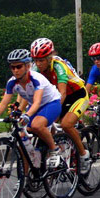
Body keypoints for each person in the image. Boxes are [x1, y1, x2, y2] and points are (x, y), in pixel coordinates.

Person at [0, 49, 62, 167]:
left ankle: (54, 149)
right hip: (35, 106)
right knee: (21, 139)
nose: (15, 70)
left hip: (51, 103)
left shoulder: (37, 79)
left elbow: (37, 102)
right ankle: (26, 178)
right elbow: (3, 104)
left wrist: (27, 115)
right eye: (12, 67)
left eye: (19, 66)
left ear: (28, 66)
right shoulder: (12, 82)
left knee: (37, 125)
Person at [30, 38, 91, 174]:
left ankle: (83, 155)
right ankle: (56, 152)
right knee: (42, 124)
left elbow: (62, 94)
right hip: (56, 97)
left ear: (49, 57)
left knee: (66, 124)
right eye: (35, 60)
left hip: (77, 95)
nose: (38, 64)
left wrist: (53, 116)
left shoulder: (59, 66)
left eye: (41, 60)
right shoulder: (35, 69)